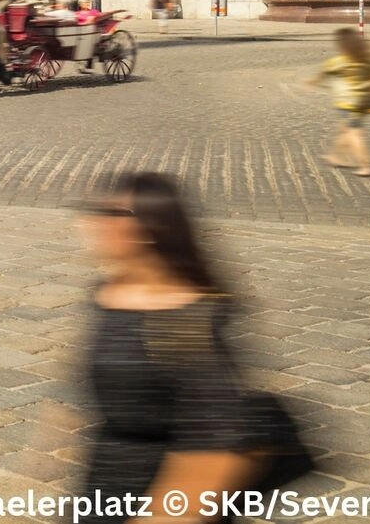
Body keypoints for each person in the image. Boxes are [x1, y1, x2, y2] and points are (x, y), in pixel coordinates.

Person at [72, 172, 300, 522]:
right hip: (102, 490)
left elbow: (220, 447)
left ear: (148, 228)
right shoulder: (108, 294)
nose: (89, 222)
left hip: (152, 495)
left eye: (108, 213)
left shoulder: (183, 320)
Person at [307, 25, 370, 177]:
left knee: (354, 133)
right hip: (365, 101)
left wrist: (312, 83)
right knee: (344, 129)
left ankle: (366, 166)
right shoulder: (369, 60)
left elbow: (323, 73)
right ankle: (335, 156)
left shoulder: (339, 61)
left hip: (347, 104)